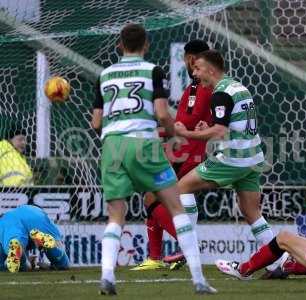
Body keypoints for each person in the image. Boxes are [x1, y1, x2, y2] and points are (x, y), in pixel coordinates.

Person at [91, 24, 215, 295]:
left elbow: (96, 122)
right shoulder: (153, 71)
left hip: (112, 146)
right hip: (144, 144)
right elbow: (161, 113)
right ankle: (198, 279)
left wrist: (112, 134)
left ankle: (107, 276)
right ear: (146, 45)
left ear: (119, 45)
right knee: (175, 206)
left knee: (115, 215)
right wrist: (173, 135)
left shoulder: (104, 75)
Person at [174, 50, 274, 248]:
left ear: (210, 70)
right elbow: (234, 128)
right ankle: (278, 261)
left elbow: (220, 132)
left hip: (233, 159)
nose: (194, 74)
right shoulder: (238, 87)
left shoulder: (220, 93)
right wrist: (208, 128)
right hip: (253, 159)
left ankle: (186, 248)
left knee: (181, 188)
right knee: (252, 213)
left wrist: (187, 134)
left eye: (198, 68)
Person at [132, 40, 213, 271]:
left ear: (191, 58)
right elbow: (188, 120)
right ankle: (156, 257)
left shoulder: (200, 86)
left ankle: (186, 247)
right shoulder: (197, 86)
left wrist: (155, 130)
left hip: (187, 154)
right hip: (183, 151)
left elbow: (186, 121)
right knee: (152, 197)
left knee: (152, 196)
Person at [0, 205, 69, 273]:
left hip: (7, 221)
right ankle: (58, 260)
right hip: (36, 215)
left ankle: (21, 260)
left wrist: (28, 264)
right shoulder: (38, 212)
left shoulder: (5, 218)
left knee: (16, 247)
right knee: (62, 263)